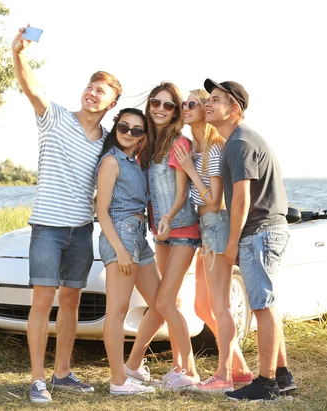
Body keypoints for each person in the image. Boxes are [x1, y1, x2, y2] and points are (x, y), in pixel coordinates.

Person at [11, 26, 122, 403]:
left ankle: (62, 373)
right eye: (90, 86)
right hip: (47, 227)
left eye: (101, 91)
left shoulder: (107, 139)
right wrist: (19, 54)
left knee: (71, 301)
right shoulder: (55, 116)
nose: (92, 93)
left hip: (81, 229)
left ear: (110, 103)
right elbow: (32, 88)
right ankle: (38, 379)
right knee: (43, 302)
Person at [202, 78, 297, 402]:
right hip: (264, 231)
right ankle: (282, 376)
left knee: (262, 306)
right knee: (266, 304)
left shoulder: (240, 142)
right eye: (209, 98)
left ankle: (266, 383)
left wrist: (231, 244)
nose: (208, 103)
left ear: (235, 109)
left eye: (216, 99)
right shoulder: (239, 140)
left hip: (260, 232)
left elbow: (240, 199)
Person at [173, 89, 254, 393]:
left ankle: (224, 375)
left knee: (219, 305)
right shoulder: (193, 147)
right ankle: (241, 369)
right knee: (201, 306)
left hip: (216, 225)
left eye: (194, 103)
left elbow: (217, 199)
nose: (187, 108)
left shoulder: (215, 149)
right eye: (186, 104)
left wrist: (191, 171)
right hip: (204, 227)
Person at [96, 108, 164, 395]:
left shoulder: (136, 163)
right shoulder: (112, 161)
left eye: (137, 130)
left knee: (161, 304)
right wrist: (120, 250)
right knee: (118, 311)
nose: (129, 133)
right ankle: (118, 382)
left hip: (139, 236)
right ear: (116, 127)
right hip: (120, 236)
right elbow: (101, 211)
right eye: (124, 126)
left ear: (143, 137)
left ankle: (132, 365)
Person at [140, 82, 201, 390]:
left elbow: (181, 193)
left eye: (168, 105)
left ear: (176, 112)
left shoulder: (180, 143)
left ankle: (190, 372)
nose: (161, 109)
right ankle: (178, 367)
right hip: (161, 233)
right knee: (171, 300)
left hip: (183, 231)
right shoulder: (149, 144)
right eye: (156, 103)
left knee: (163, 301)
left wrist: (166, 216)